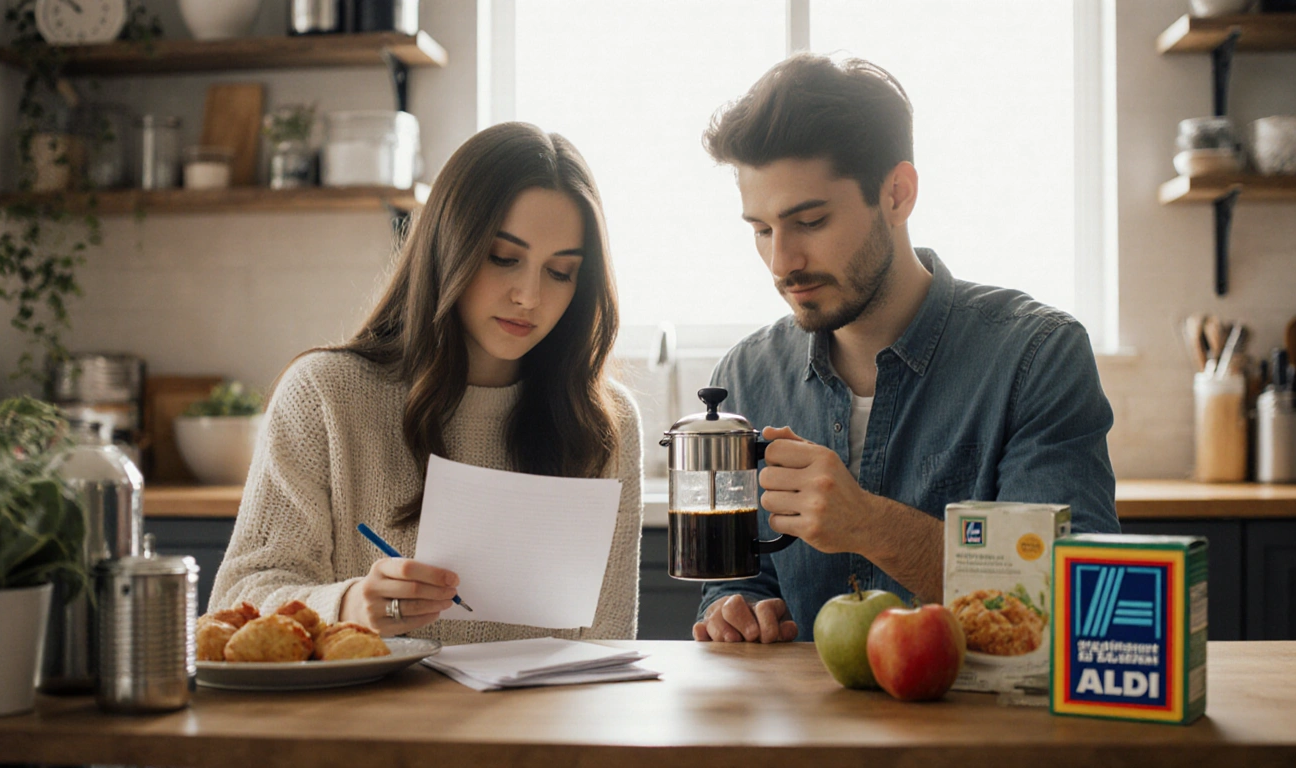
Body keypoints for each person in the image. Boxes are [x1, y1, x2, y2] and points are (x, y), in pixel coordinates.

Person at [692, 54, 1119, 644]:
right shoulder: (746, 375)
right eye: (762, 230)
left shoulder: (1037, 357)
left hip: (979, 730)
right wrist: (737, 610)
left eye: (810, 221)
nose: (781, 262)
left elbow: (1077, 601)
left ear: (896, 194)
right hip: (806, 731)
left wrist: (868, 524)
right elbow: (743, 580)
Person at [210, 122, 643, 643]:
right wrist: (347, 604)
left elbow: (610, 638)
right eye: (504, 259)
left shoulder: (602, 423)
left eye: (560, 272)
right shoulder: (325, 396)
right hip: (373, 721)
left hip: (539, 725)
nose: (529, 295)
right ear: (448, 247)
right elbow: (236, 600)